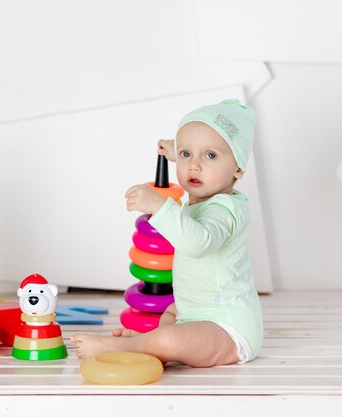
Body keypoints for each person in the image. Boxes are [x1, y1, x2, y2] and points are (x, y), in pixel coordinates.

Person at [71, 99, 263, 367]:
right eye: (186, 155)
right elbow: (198, 153)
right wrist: (179, 150)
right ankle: (151, 343)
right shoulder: (202, 197)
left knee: (170, 339)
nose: (194, 166)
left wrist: (161, 207)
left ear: (238, 169)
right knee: (170, 316)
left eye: (210, 156)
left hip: (227, 329)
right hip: (192, 314)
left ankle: (126, 346)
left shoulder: (225, 209)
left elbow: (198, 242)